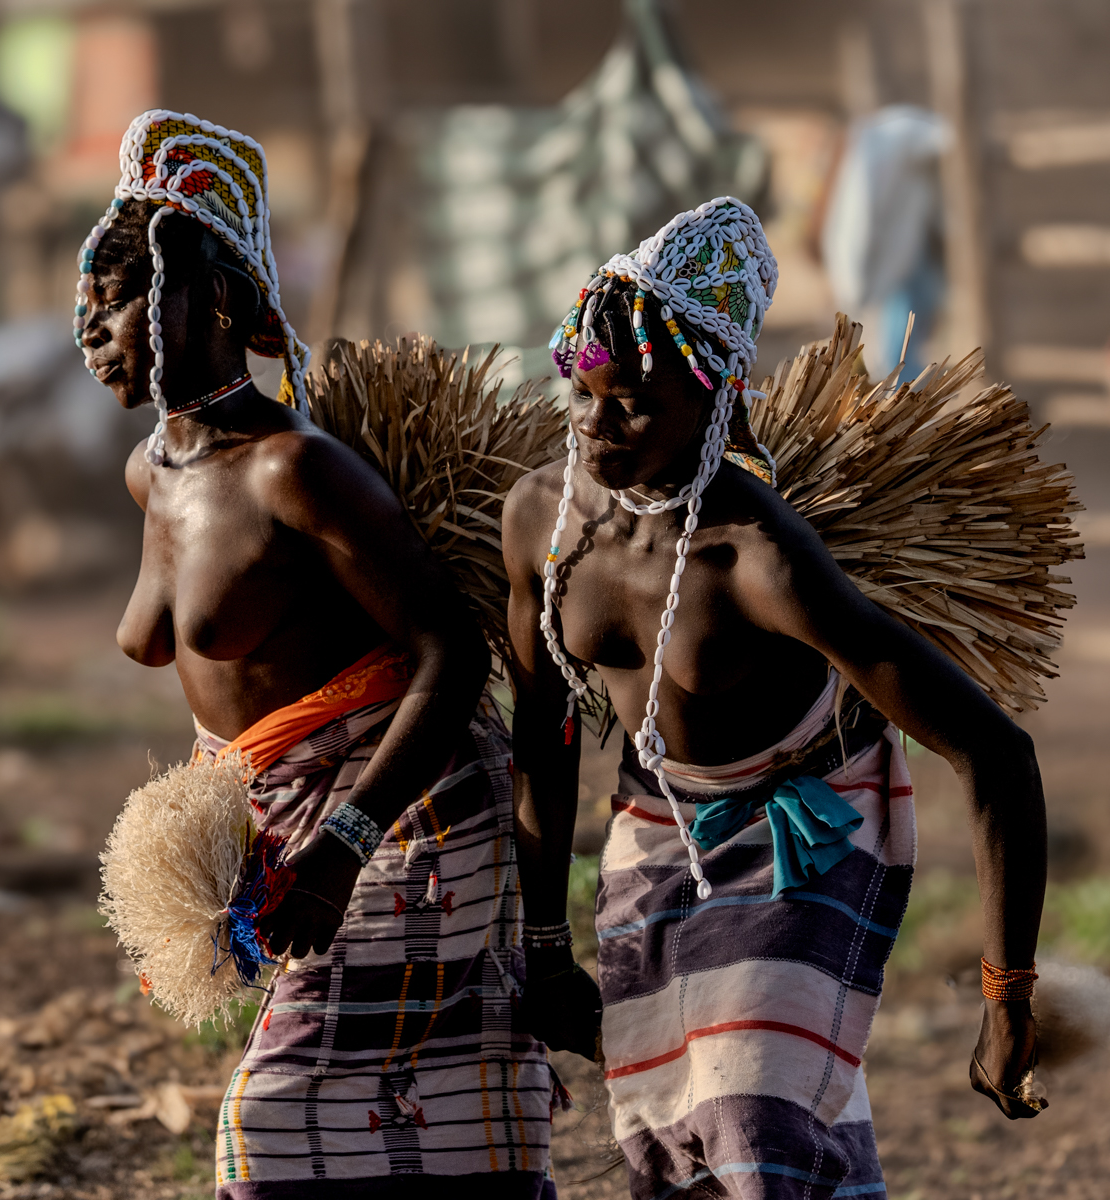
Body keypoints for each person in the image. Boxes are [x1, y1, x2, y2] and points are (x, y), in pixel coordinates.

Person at [501, 197, 1048, 1199]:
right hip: (655, 829)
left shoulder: (757, 559)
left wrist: (1007, 995)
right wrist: (542, 943)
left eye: (634, 400)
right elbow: (541, 733)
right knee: (672, 1147)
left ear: (716, 397)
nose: (596, 425)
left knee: (752, 1116)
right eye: (582, 391)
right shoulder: (542, 518)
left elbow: (995, 751)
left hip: (805, 832)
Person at [78, 110, 569, 1198]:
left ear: (207, 302)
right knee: (389, 1122)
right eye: (88, 302)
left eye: (115, 298)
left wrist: (343, 842)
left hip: (408, 818)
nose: (91, 327)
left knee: (279, 1128)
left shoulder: (296, 471)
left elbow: (453, 654)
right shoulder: (147, 473)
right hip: (295, 824)